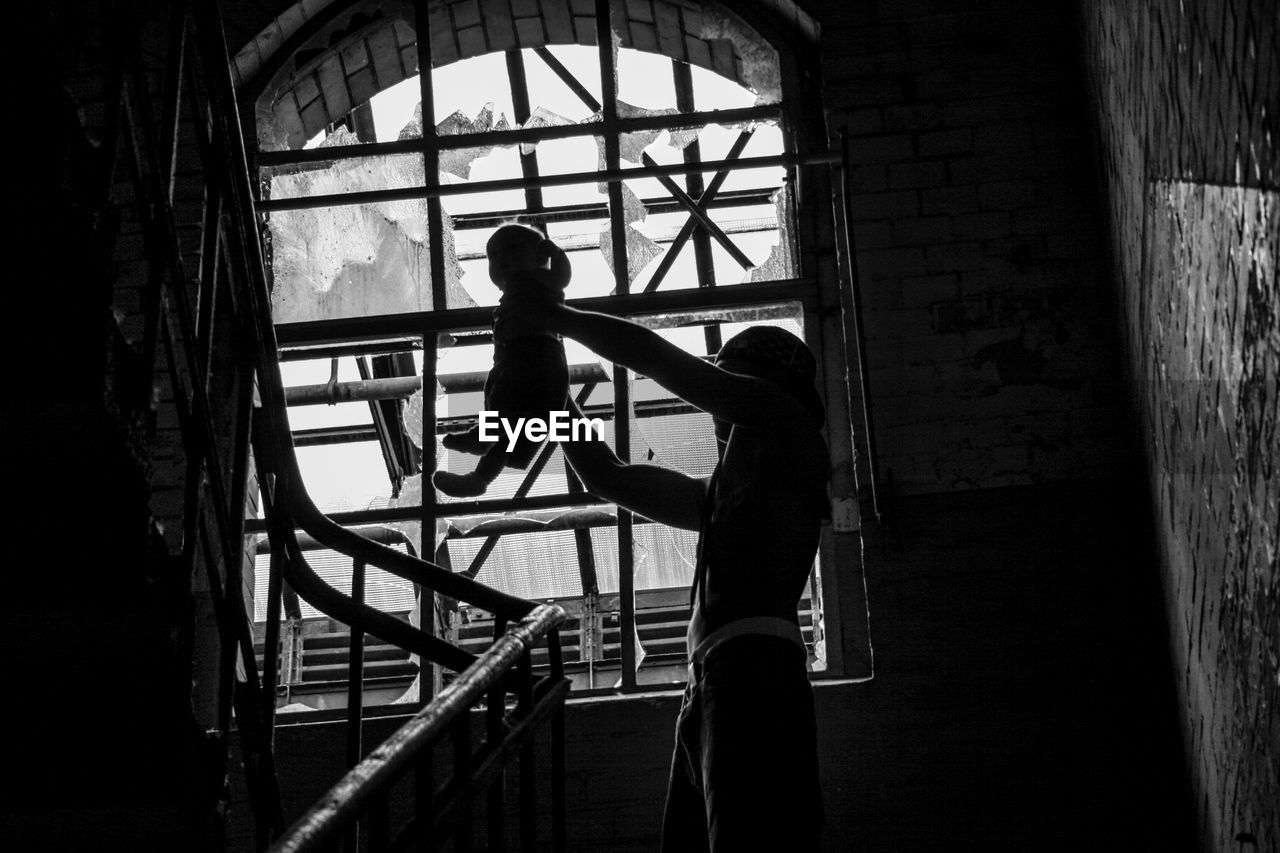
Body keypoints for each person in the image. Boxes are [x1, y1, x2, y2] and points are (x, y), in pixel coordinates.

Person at [495, 299, 829, 851]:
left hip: (754, 675)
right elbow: (609, 477)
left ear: (774, 380)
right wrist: (548, 387)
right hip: (715, 681)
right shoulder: (719, 494)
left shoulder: (787, 426)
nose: (718, 400)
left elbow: (671, 368)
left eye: (730, 376)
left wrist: (556, 317)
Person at [433, 223, 571, 497]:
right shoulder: (512, 294)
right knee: (504, 407)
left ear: (540, 257)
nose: (501, 258)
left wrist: (557, 253)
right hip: (515, 361)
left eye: (512, 248)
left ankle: (479, 471)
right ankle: (481, 440)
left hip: (537, 360)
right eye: (493, 255)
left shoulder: (538, 280)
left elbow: (562, 278)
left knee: (509, 426)